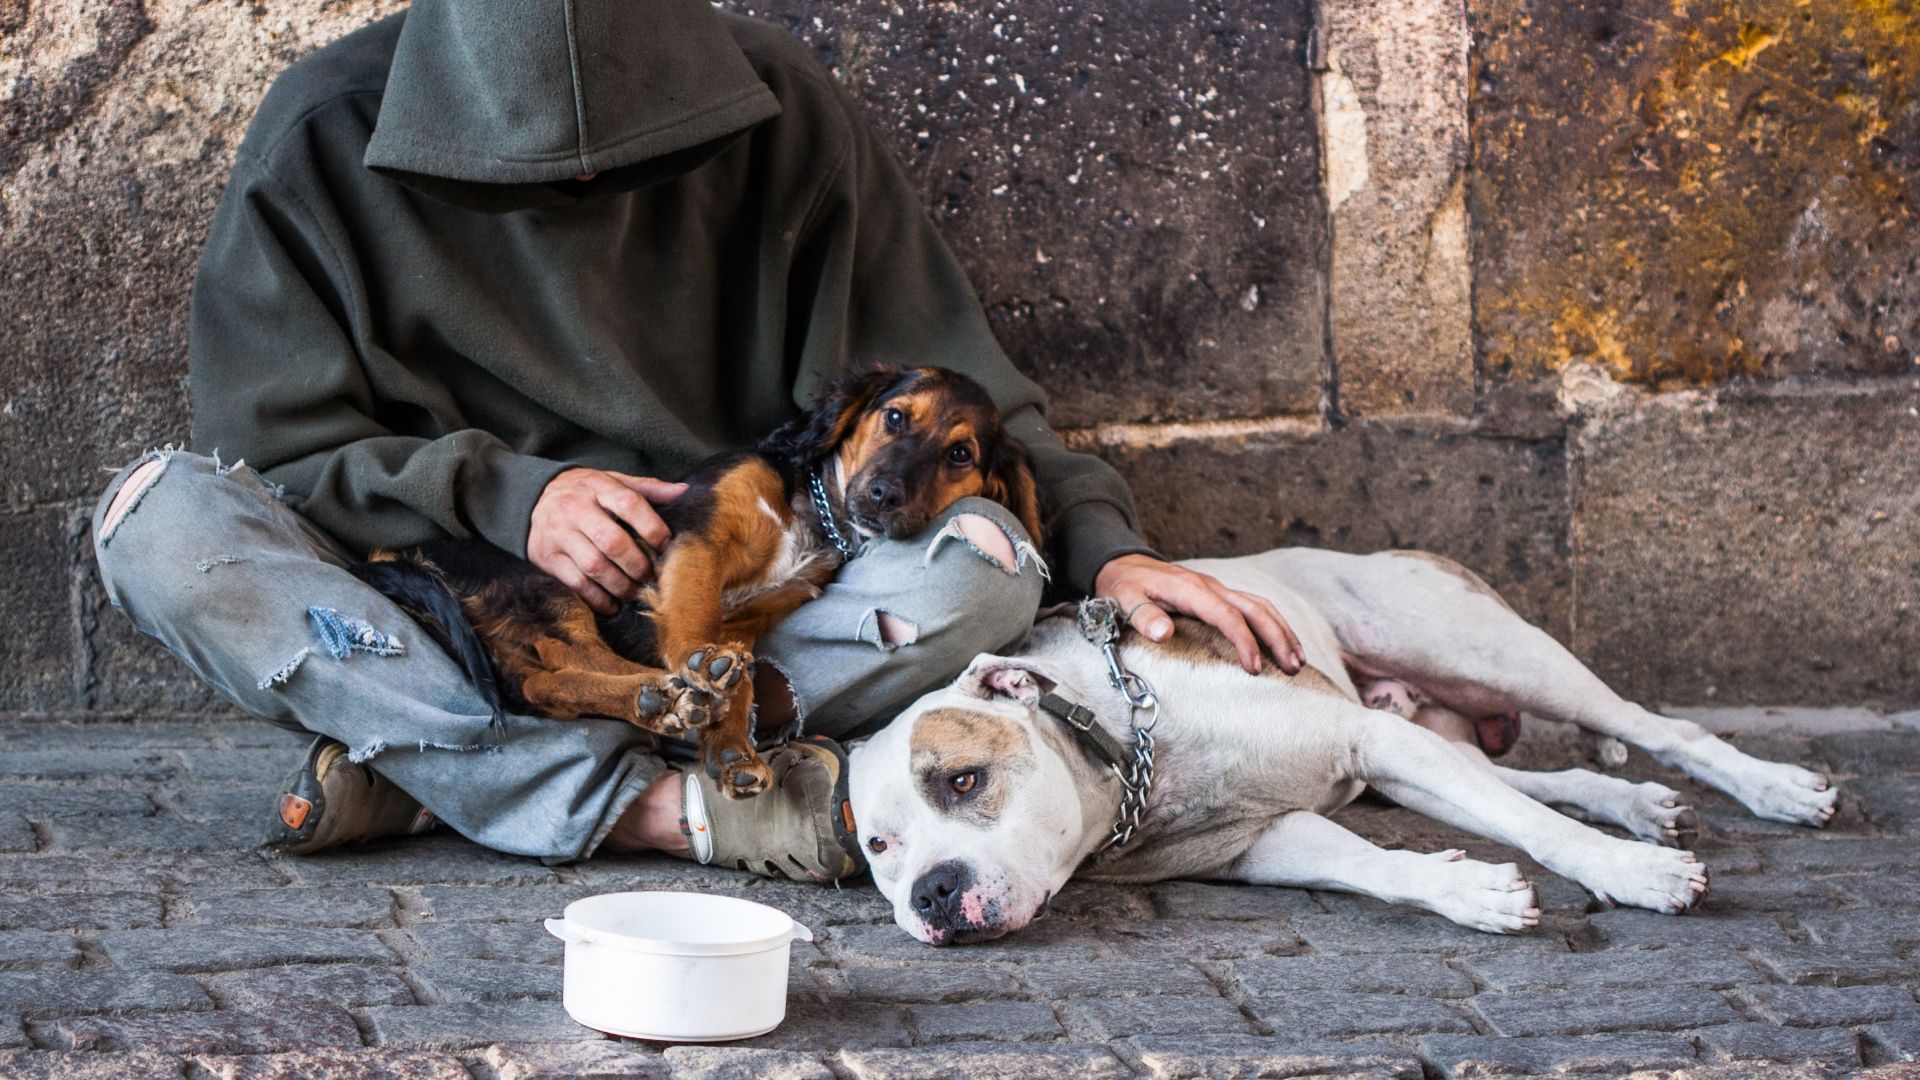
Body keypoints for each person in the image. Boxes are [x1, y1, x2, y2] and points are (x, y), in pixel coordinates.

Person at [91, 0, 1302, 880]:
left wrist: (1102, 549)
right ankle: (682, 816)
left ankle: (432, 773)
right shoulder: (319, 129)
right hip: (442, 612)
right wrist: (506, 493)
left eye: (624, 161)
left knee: (982, 564)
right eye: (527, 171)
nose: (582, 189)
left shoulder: (779, 111)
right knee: (156, 524)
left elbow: (963, 394)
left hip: (735, 626)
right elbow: (276, 462)